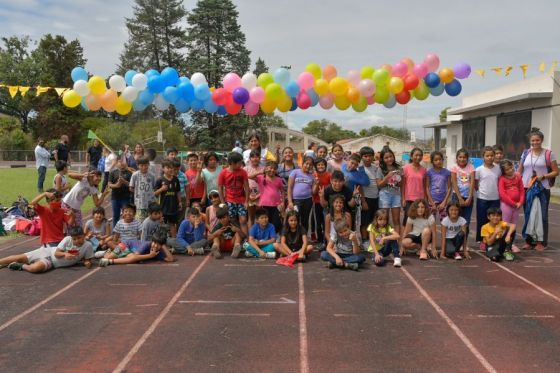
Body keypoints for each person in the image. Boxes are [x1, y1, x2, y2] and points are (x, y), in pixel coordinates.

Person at [518, 127, 559, 251]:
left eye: (537, 140)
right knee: (528, 214)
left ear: (541, 140)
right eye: (533, 140)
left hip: (542, 188)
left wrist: (544, 176)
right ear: (530, 141)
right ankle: (529, 241)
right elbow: (520, 170)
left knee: (543, 215)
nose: (535, 142)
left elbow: (556, 172)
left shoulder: (548, 153)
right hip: (527, 187)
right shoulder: (525, 153)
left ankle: (541, 242)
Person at [0, 226, 92, 273]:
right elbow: (57, 253)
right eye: (74, 239)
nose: (77, 241)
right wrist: (65, 254)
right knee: (19, 257)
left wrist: (87, 263)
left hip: (52, 263)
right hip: (48, 252)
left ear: (83, 235)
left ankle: (20, 266)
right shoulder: (67, 239)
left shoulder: (88, 246)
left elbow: (87, 260)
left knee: (35, 269)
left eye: (79, 238)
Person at [99, 226, 174, 266]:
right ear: (152, 241)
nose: (155, 246)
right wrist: (150, 256)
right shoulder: (147, 244)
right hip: (126, 245)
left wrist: (163, 246)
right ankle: (106, 253)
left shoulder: (159, 250)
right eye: (154, 242)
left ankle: (110, 260)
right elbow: (135, 256)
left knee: (131, 259)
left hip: (129, 252)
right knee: (108, 257)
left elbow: (170, 259)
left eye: (159, 244)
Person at [475, 146, 501, 250]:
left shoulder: (498, 169)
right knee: (482, 220)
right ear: (483, 157)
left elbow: (500, 181)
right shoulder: (479, 170)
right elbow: (476, 184)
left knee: (495, 220)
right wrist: (481, 192)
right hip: (482, 199)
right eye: (487, 156)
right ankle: (482, 240)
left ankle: (495, 240)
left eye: (491, 155)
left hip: (495, 199)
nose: (490, 157)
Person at [218, 152, 250, 237]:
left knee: (243, 220)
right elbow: (220, 188)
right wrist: (222, 202)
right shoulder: (223, 173)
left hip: (241, 200)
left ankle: (246, 239)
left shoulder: (243, 172)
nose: (241, 164)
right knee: (231, 220)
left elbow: (247, 187)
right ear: (232, 163)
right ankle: (237, 238)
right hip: (229, 200)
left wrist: (246, 201)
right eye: (239, 162)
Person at [450, 148, 475, 248]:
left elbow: (472, 182)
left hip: (468, 196)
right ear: (457, 158)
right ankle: (455, 241)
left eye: (464, 157)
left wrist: (469, 197)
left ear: (467, 158)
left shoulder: (471, 167)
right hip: (456, 196)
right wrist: (459, 198)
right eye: (460, 157)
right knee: (455, 219)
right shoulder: (454, 168)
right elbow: (454, 183)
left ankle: (464, 243)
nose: (462, 159)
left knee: (466, 221)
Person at [498, 160, 524, 252]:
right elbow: (502, 194)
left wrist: (520, 202)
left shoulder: (518, 176)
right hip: (506, 206)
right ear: (503, 171)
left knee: (514, 225)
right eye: (507, 169)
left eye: (511, 167)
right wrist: (513, 203)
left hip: (516, 206)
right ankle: (503, 244)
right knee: (505, 225)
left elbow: (521, 190)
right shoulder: (502, 179)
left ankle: (511, 244)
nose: (510, 170)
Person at [377, 146, 403, 239]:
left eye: (391, 156)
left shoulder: (398, 167)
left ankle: (396, 240)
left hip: (396, 195)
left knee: (396, 220)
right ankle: (384, 240)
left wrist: (399, 178)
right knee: (384, 219)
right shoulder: (380, 169)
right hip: (384, 195)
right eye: (386, 157)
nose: (389, 159)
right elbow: (379, 185)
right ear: (383, 159)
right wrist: (387, 176)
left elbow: (401, 184)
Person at [360, 146, 381, 247]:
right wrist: (363, 201)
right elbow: (359, 186)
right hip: (365, 199)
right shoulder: (359, 169)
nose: (368, 158)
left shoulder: (376, 168)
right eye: (365, 156)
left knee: (373, 221)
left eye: (370, 156)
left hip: (376, 198)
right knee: (364, 221)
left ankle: (371, 238)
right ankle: (364, 240)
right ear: (361, 157)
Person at [255, 161, 284, 234]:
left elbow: (283, 191)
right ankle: (265, 236)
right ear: (266, 168)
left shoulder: (279, 179)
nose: (272, 170)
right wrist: (261, 172)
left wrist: (283, 202)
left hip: (275, 205)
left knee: (276, 222)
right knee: (264, 222)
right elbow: (249, 176)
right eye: (270, 168)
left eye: (274, 168)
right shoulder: (261, 177)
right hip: (264, 205)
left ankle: (274, 236)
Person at [154, 159, 182, 237]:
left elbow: (178, 192)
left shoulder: (176, 179)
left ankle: (173, 243)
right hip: (163, 208)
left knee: (173, 225)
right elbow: (154, 193)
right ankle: (162, 242)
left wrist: (179, 202)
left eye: (171, 167)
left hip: (173, 207)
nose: (170, 169)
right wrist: (161, 189)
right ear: (163, 168)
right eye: (168, 167)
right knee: (162, 225)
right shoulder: (160, 180)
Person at [288, 156, 315, 231]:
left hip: (308, 200)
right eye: (306, 164)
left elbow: (313, 191)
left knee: (305, 220)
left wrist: (316, 184)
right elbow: (289, 187)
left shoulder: (312, 176)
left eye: (310, 165)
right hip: (296, 200)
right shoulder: (295, 172)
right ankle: (294, 237)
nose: (308, 166)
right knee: (294, 219)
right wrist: (290, 201)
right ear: (302, 163)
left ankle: (304, 236)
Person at [402, 148, 427, 226]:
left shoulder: (424, 170)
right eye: (416, 155)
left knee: (419, 220)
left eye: (420, 155)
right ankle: (405, 237)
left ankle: (417, 237)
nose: (418, 157)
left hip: (420, 199)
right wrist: (403, 199)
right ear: (411, 156)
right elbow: (403, 185)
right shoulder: (405, 168)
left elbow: (425, 185)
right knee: (407, 220)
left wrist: (425, 199)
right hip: (409, 199)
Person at [425, 151, 452, 223]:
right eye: (436, 160)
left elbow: (449, 188)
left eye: (440, 159)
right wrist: (431, 202)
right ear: (432, 161)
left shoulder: (447, 172)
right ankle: (431, 234)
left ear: (443, 160)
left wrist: (444, 202)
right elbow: (427, 188)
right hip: (432, 202)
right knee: (430, 222)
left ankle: (444, 234)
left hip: (443, 201)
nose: (438, 161)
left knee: (444, 222)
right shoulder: (429, 172)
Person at [129, 156, 156, 222]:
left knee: (150, 221)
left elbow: (154, 188)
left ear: (148, 165)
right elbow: (130, 188)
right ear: (138, 165)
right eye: (141, 165)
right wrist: (138, 193)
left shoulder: (152, 175)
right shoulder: (135, 175)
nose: (144, 167)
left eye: (145, 165)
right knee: (140, 222)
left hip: (150, 204)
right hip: (139, 205)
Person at [311, 158, 331, 246]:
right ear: (315, 166)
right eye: (318, 165)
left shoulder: (329, 175)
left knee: (326, 222)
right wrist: (316, 183)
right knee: (318, 222)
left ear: (325, 166)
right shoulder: (314, 175)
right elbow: (313, 192)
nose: (320, 166)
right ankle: (319, 240)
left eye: (322, 165)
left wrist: (325, 191)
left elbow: (331, 188)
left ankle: (326, 240)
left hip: (326, 202)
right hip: (316, 202)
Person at [108, 159, 133, 227]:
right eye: (119, 161)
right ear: (116, 163)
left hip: (125, 198)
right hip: (115, 198)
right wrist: (116, 185)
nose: (121, 163)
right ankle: (115, 232)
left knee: (126, 215)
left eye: (123, 161)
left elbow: (131, 185)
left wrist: (124, 181)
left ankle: (125, 230)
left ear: (126, 163)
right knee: (115, 215)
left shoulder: (129, 173)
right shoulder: (113, 172)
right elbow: (109, 184)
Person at [245, 150, 265, 227]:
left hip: (260, 196)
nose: (255, 158)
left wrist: (259, 195)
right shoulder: (245, 169)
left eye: (257, 157)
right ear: (250, 159)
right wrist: (248, 195)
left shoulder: (263, 169)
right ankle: (251, 236)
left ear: (260, 158)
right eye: (253, 157)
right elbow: (243, 183)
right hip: (249, 196)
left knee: (259, 217)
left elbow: (265, 184)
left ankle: (259, 235)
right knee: (250, 217)